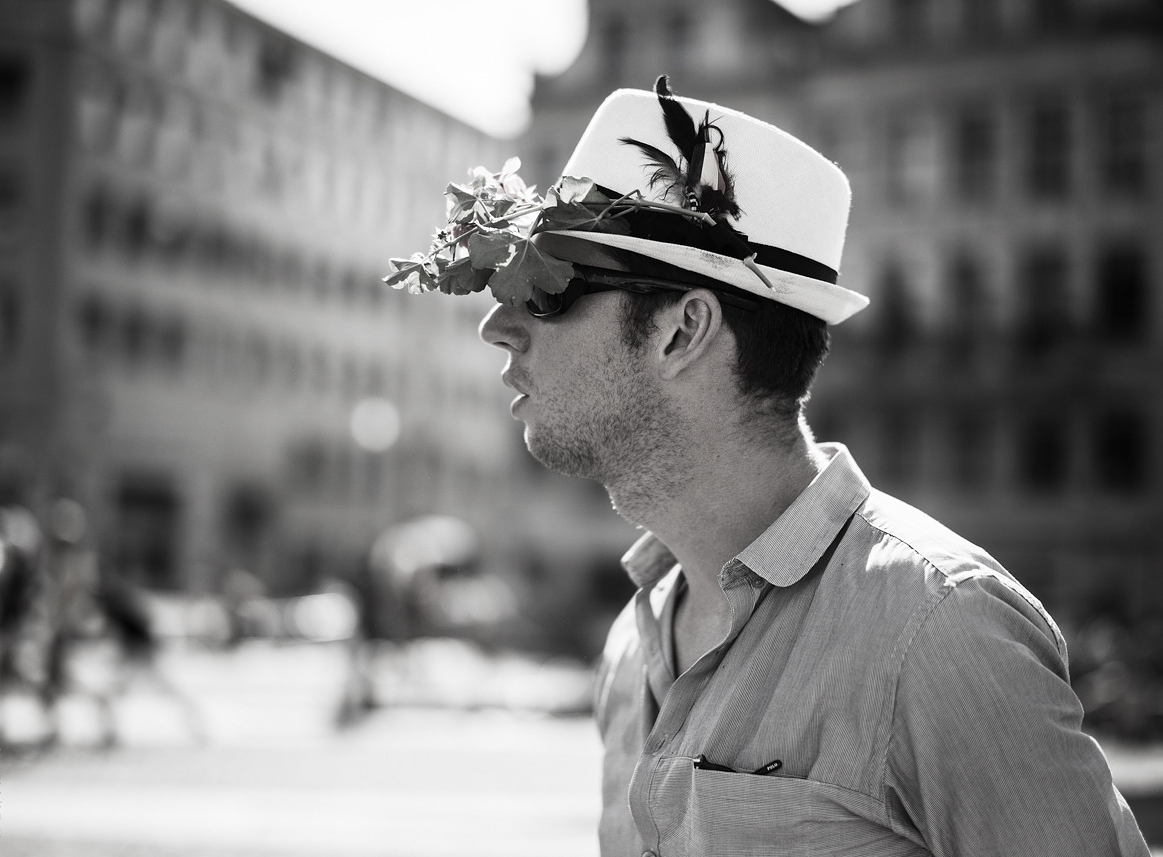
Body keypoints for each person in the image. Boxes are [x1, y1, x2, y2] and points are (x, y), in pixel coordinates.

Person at [388, 77, 1150, 855]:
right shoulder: (632, 644)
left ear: (682, 331)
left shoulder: (939, 629)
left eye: (547, 290)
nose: (497, 324)